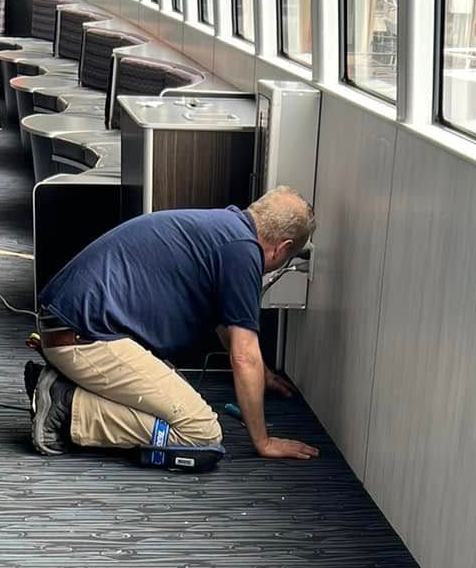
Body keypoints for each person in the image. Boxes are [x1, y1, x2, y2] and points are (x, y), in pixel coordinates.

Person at [27, 188, 319, 465]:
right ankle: (66, 406)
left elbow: (225, 325)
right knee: (201, 433)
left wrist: (262, 374)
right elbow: (244, 355)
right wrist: (263, 442)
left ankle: (65, 385)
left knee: (171, 402)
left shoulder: (226, 228)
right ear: (283, 248)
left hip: (69, 325)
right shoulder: (244, 252)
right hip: (82, 338)